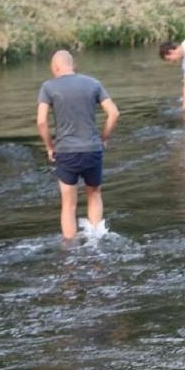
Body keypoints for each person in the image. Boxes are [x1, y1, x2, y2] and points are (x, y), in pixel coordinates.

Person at [36, 50, 119, 240]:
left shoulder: (48, 87)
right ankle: (96, 240)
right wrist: (103, 138)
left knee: (68, 204)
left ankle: (70, 248)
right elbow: (114, 113)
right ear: (72, 65)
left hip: (66, 151)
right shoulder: (93, 83)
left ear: (55, 67)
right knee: (94, 193)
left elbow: (41, 122)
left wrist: (49, 146)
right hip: (92, 148)